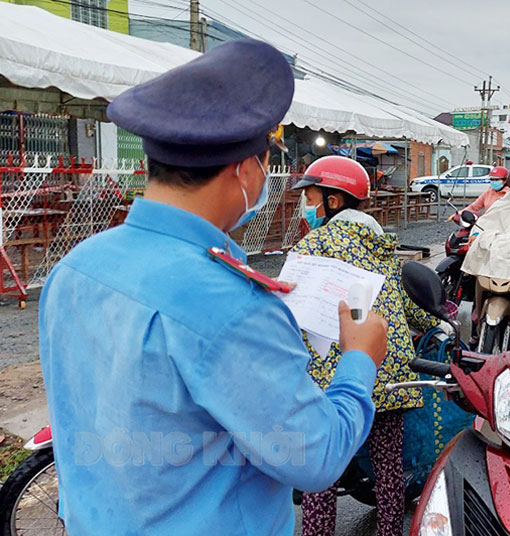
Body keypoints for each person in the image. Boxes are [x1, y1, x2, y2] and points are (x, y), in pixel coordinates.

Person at [38, 40, 388, 536]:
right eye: (267, 162)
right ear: (244, 169)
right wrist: (358, 362)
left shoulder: (75, 268)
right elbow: (317, 456)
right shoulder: (233, 306)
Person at [290, 156, 439, 536]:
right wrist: (438, 322)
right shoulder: (382, 248)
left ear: (333, 201)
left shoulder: (314, 244)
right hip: (390, 376)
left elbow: (290, 309)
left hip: (334, 378)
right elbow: (408, 306)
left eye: (309, 196)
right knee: (389, 470)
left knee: (323, 473)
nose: (305, 205)